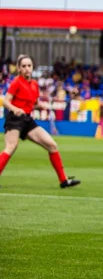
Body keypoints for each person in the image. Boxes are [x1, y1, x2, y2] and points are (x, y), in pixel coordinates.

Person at [0, 54, 81, 189]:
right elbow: (5, 101)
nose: (27, 68)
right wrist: (15, 109)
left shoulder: (34, 85)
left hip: (27, 120)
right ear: (19, 69)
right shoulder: (16, 82)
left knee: (52, 145)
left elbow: (34, 102)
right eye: (24, 66)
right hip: (15, 119)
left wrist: (40, 105)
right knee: (11, 146)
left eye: (29, 66)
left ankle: (63, 180)